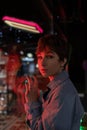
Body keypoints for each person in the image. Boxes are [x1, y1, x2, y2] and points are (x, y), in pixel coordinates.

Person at [24, 34, 84, 130]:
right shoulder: (57, 88)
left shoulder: (61, 93)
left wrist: (32, 102)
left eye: (49, 57)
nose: (42, 63)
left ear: (63, 61)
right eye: (40, 57)